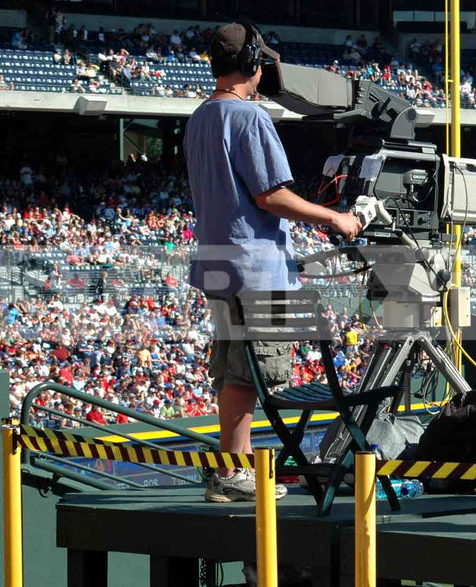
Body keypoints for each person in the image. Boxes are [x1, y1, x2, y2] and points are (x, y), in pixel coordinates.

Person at [185, 22, 361, 503]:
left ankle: (228, 469)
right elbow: (271, 196)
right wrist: (335, 217)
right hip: (255, 268)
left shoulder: (200, 116)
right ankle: (237, 471)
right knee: (252, 374)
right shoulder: (249, 118)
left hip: (218, 263)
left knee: (231, 371)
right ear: (252, 65)